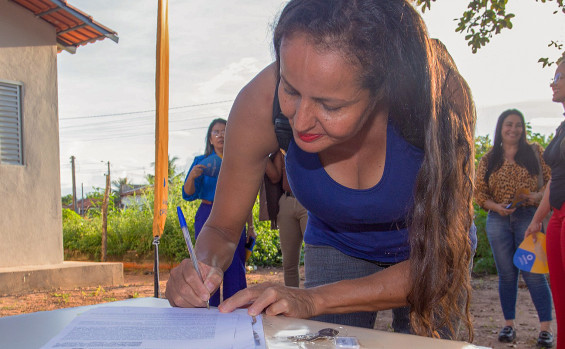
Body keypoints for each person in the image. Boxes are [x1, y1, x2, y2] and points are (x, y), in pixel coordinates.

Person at [165, 0, 476, 339]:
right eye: (290, 90)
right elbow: (223, 230)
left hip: (431, 248)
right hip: (335, 244)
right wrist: (202, 268)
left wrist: (313, 300)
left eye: (331, 105)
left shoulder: (435, 98)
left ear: (384, 90)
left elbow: (441, 261)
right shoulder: (259, 104)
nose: (300, 121)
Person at [475, 109, 553, 347]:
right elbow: (479, 193)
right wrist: (495, 207)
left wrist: (536, 196)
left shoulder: (536, 152)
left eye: (518, 125)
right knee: (507, 276)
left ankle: (545, 330)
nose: (514, 129)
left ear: (523, 128)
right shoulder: (490, 158)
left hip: (529, 219)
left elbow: (553, 180)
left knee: (534, 274)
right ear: (500, 128)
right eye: (509, 124)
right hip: (498, 220)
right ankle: (508, 325)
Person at [181, 118, 255, 307]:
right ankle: (208, 306)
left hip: (234, 212)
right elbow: (187, 194)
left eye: (224, 131)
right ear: (210, 139)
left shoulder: (237, 161)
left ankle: (235, 308)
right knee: (206, 262)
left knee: (235, 261)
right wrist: (192, 176)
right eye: (216, 132)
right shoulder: (201, 162)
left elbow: (245, 195)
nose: (221, 135)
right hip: (207, 213)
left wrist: (251, 226)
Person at [526, 59, 565, 349]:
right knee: (560, 297)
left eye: (559, 76)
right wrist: (538, 218)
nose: (553, 83)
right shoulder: (562, 127)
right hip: (557, 218)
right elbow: (554, 179)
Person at [264, 149, 307, 288]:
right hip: (287, 201)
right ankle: (293, 301)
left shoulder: (315, 143)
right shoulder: (281, 148)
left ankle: (316, 303)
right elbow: (275, 177)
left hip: (309, 202)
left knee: (314, 257)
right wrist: (262, 153)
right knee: (289, 262)